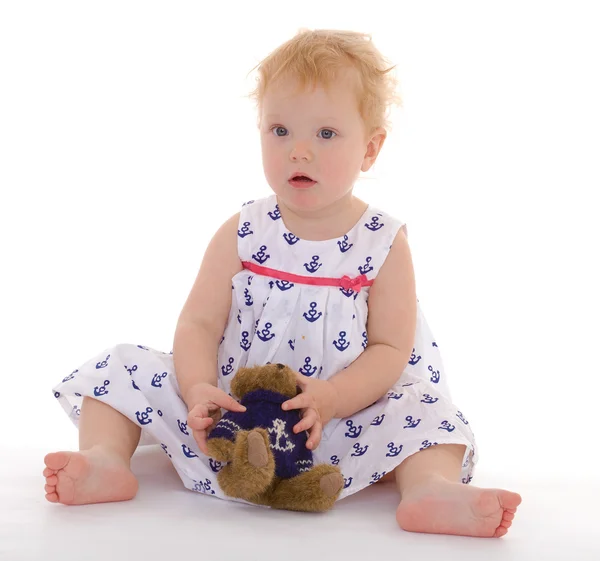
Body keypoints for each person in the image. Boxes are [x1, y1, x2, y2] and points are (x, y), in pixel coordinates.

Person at [43, 28, 521, 537]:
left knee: (427, 409)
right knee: (123, 364)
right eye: (279, 130)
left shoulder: (381, 242)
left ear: (371, 148)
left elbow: (388, 349)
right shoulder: (245, 230)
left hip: (338, 424)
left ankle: (429, 491)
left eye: (326, 134)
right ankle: (105, 459)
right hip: (227, 421)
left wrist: (333, 398)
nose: (298, 151)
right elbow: (200, 322)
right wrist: (200, 388)